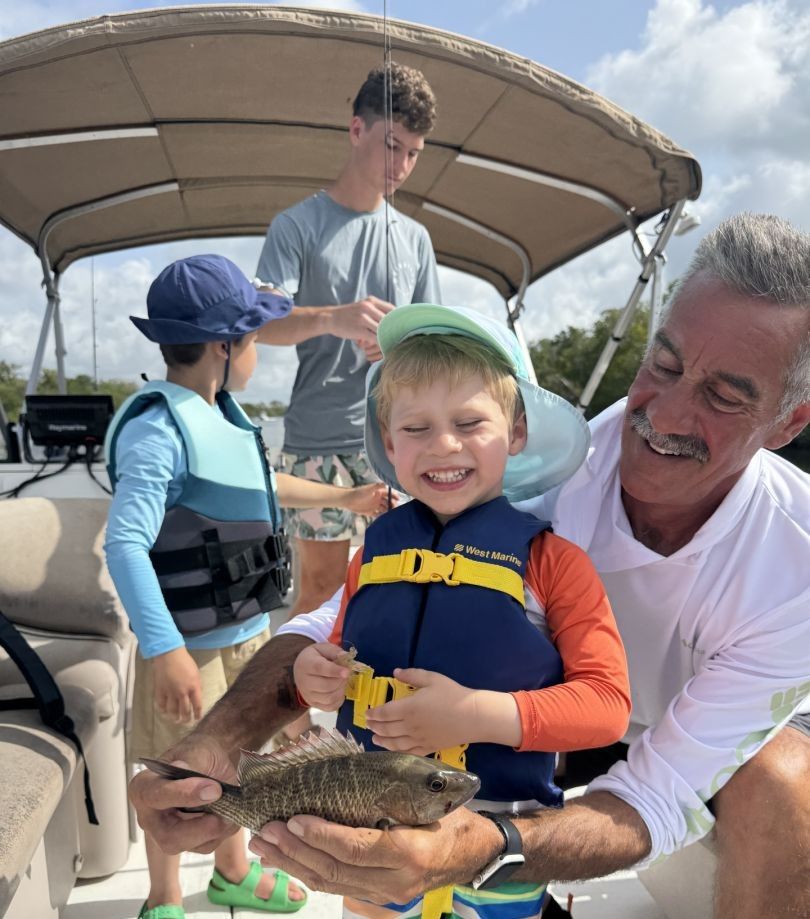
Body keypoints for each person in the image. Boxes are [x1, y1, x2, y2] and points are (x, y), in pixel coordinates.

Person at [127, 213, 810, 919]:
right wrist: (216, 747)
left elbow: (660, 791)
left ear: (789, 424)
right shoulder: (519, 475)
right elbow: (332, 616)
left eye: (725, 396)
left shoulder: (798, 570)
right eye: (662, 365)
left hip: (689, 736)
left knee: (782, 779)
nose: (664, 415)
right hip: (529, 730)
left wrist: (488, 842)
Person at [292, 304, 630, 919]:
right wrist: (313, 670)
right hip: (376, 836)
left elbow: (607, 708)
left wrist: (475, 714)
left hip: (497, 849)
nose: (443, 445)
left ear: (517, 433)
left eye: (470, 421)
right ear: (389, 443)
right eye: (415, 429)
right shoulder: (372, 552)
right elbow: (340, 648)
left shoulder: (555, 564)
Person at [106, 254, 390, 919]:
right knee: (181, 772)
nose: (259, 351)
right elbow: (125, 542)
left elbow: (267, 488)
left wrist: (347, 495)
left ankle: (231, 872)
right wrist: (164, 648)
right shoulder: (158, 427)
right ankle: (164, 893)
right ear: (223, 345)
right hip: (190, 646)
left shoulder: (229, 417)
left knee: (239, 764)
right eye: (256, 338)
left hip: (247, 635)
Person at [254, 61, 440, 664]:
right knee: (318, 595)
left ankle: (376, 732)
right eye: (393, 145)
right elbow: (261, 323)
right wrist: (334, 317)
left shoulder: (416, 240)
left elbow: (434, 343)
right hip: (318, 442)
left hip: (400, 442)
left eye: (413, 153)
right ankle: (293, 737)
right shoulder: (296, 226)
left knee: (402, 589)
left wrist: (402, 343)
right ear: (356, 129)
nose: (401, 165)